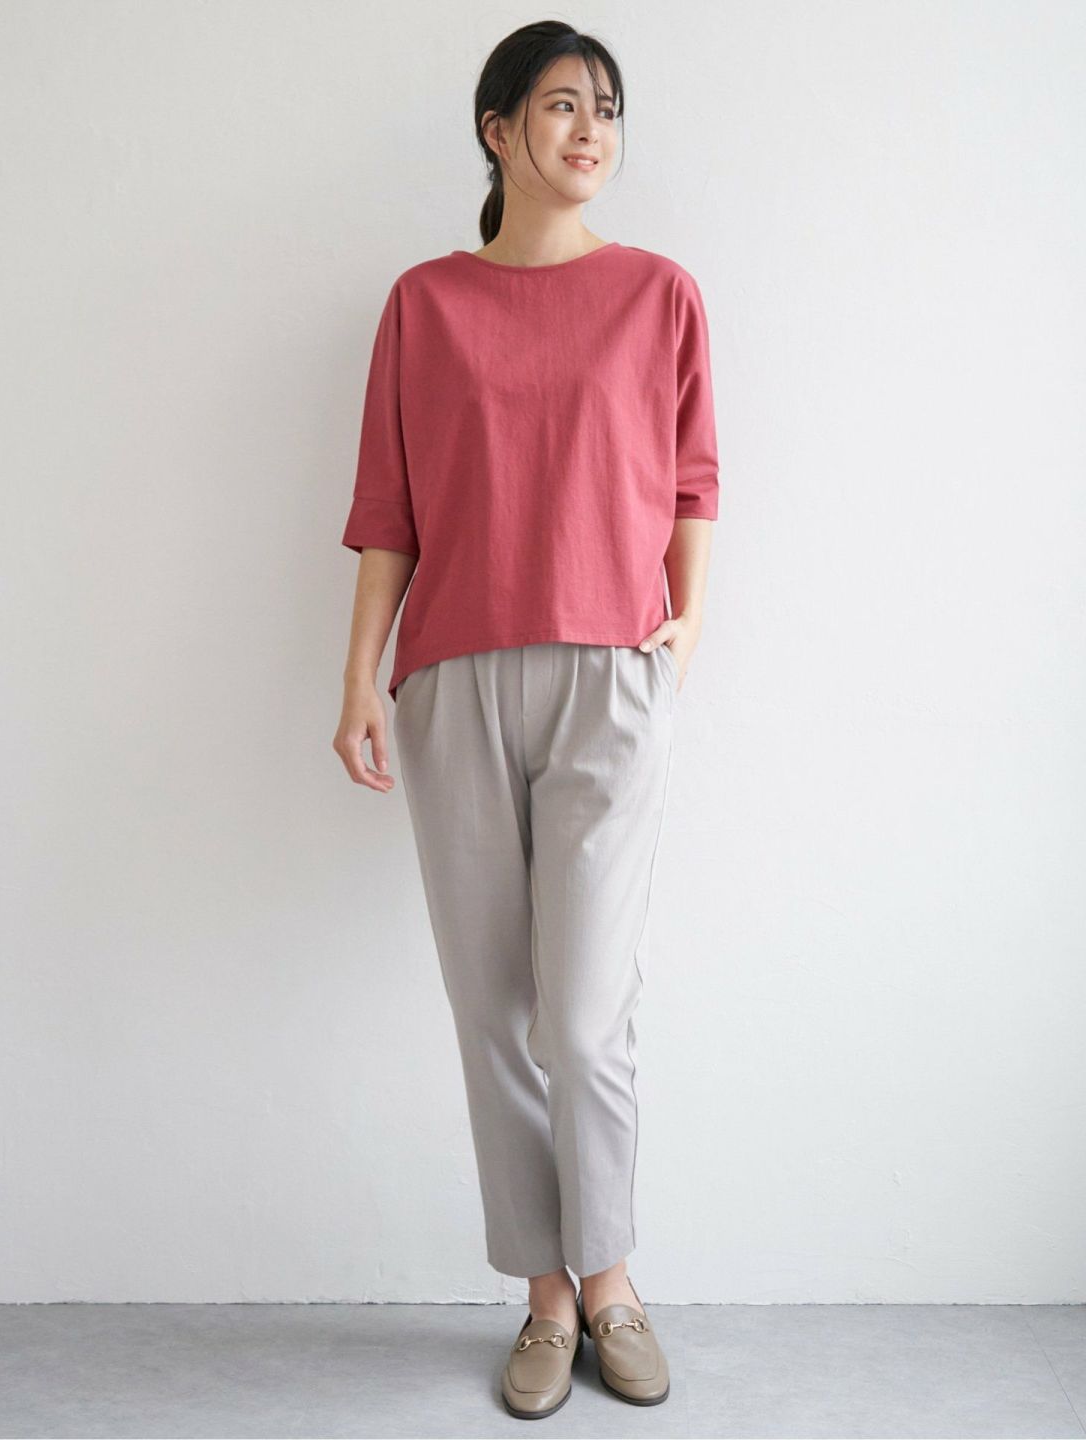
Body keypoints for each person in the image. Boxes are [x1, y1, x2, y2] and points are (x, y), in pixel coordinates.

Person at [333, 19, 718, 1419]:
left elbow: (692, 479)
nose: (591, 129)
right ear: (497, 129)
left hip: (611, 675)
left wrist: (687, 624)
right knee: (492, 1007)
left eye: (606, 107)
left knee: (587, 1009)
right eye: (561, 105)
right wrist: (360, 675)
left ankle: (610, 1276)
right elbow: (389, 506)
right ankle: (547, 1295)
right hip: (453, 678)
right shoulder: (423, 303)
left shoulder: (660, 294)